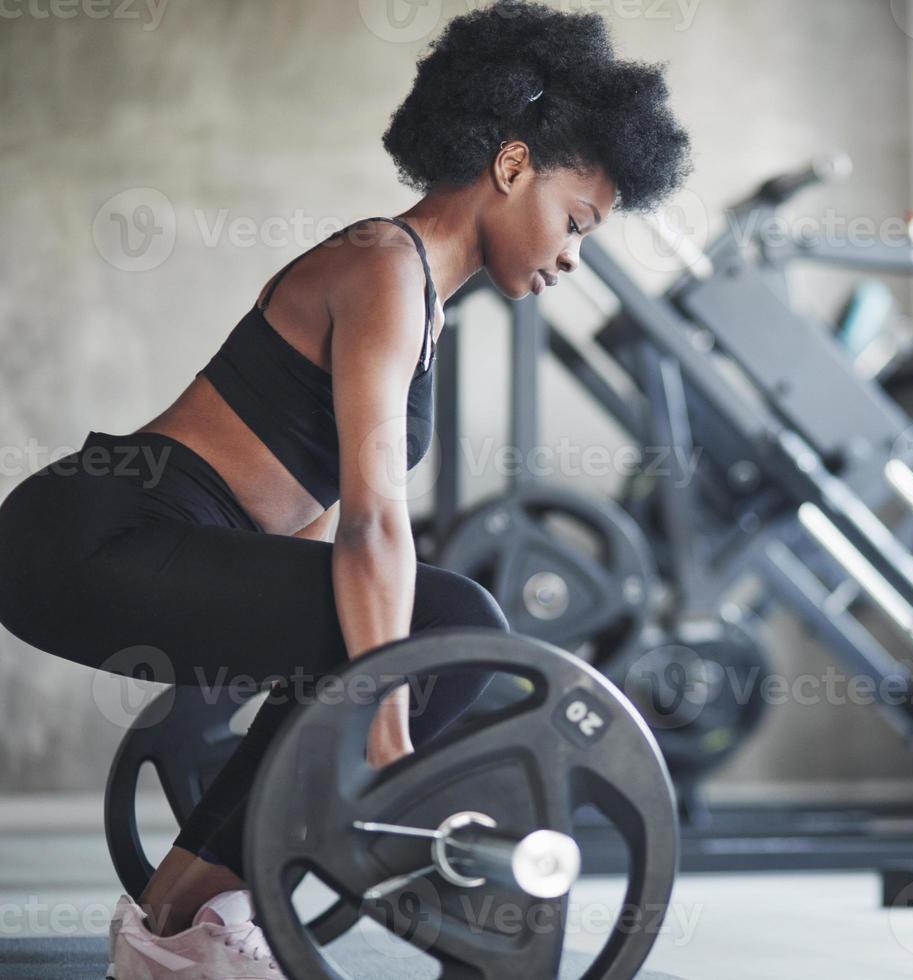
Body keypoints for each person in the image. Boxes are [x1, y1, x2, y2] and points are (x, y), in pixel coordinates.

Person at [0, 3, 691, 977]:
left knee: (414, 626)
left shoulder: (421, 296)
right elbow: (372, 517)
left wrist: (331, 684)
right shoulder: (383, 268)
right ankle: (176, 924)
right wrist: (388, 713)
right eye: (576, 219)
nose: (574, 254)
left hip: (137, 537)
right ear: (511, 163)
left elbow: (312, 515)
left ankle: (182, 920)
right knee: (453, 614)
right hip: (92, 532)